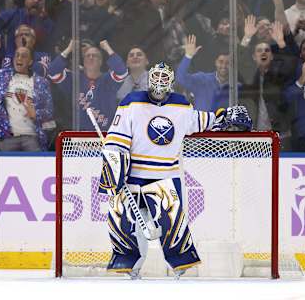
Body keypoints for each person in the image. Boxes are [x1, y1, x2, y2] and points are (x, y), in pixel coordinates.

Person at [98, 62, 251, 279]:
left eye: (164, 77)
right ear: (149, 79)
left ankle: (179, 266)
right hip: (133, 176)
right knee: (127, 224)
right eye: (156, 76)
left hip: (165, 177)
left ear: (171, 82)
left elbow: (202, 120)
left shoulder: (181, 105)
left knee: (172, 224)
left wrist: (224, 117)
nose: (159, 81)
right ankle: (130, 267)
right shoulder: (131, 102)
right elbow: (116, 138)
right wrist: (114, 166)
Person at [0, 37, 55, 151]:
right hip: (7, 137)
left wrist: (36, 113)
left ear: (30, 61)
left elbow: (49, 111)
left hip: (32, 137)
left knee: (34, 168)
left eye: (24, 56)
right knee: (8, 169)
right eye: (17, 55)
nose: (19, 58)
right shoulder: (3, 76)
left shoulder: (41, 82)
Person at [48, 39, 128, 131]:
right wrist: (69, 49)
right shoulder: (74, 79)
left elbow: (122, 72)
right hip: (79, 136)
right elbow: (52, 72)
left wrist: (107, 48)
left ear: (101, 61)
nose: (91, 58)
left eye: (95, 56)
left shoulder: (109, 80)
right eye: (87, 56)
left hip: (105, 135)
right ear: (83, 61)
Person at [176, 35, 231, 112]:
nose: (224, 66)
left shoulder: (236, 86)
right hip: (202, 123)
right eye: (221, 62)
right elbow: (181, 78)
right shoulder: (202, 80)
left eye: (228, 63)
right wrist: (188, 56)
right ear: (215, 62)